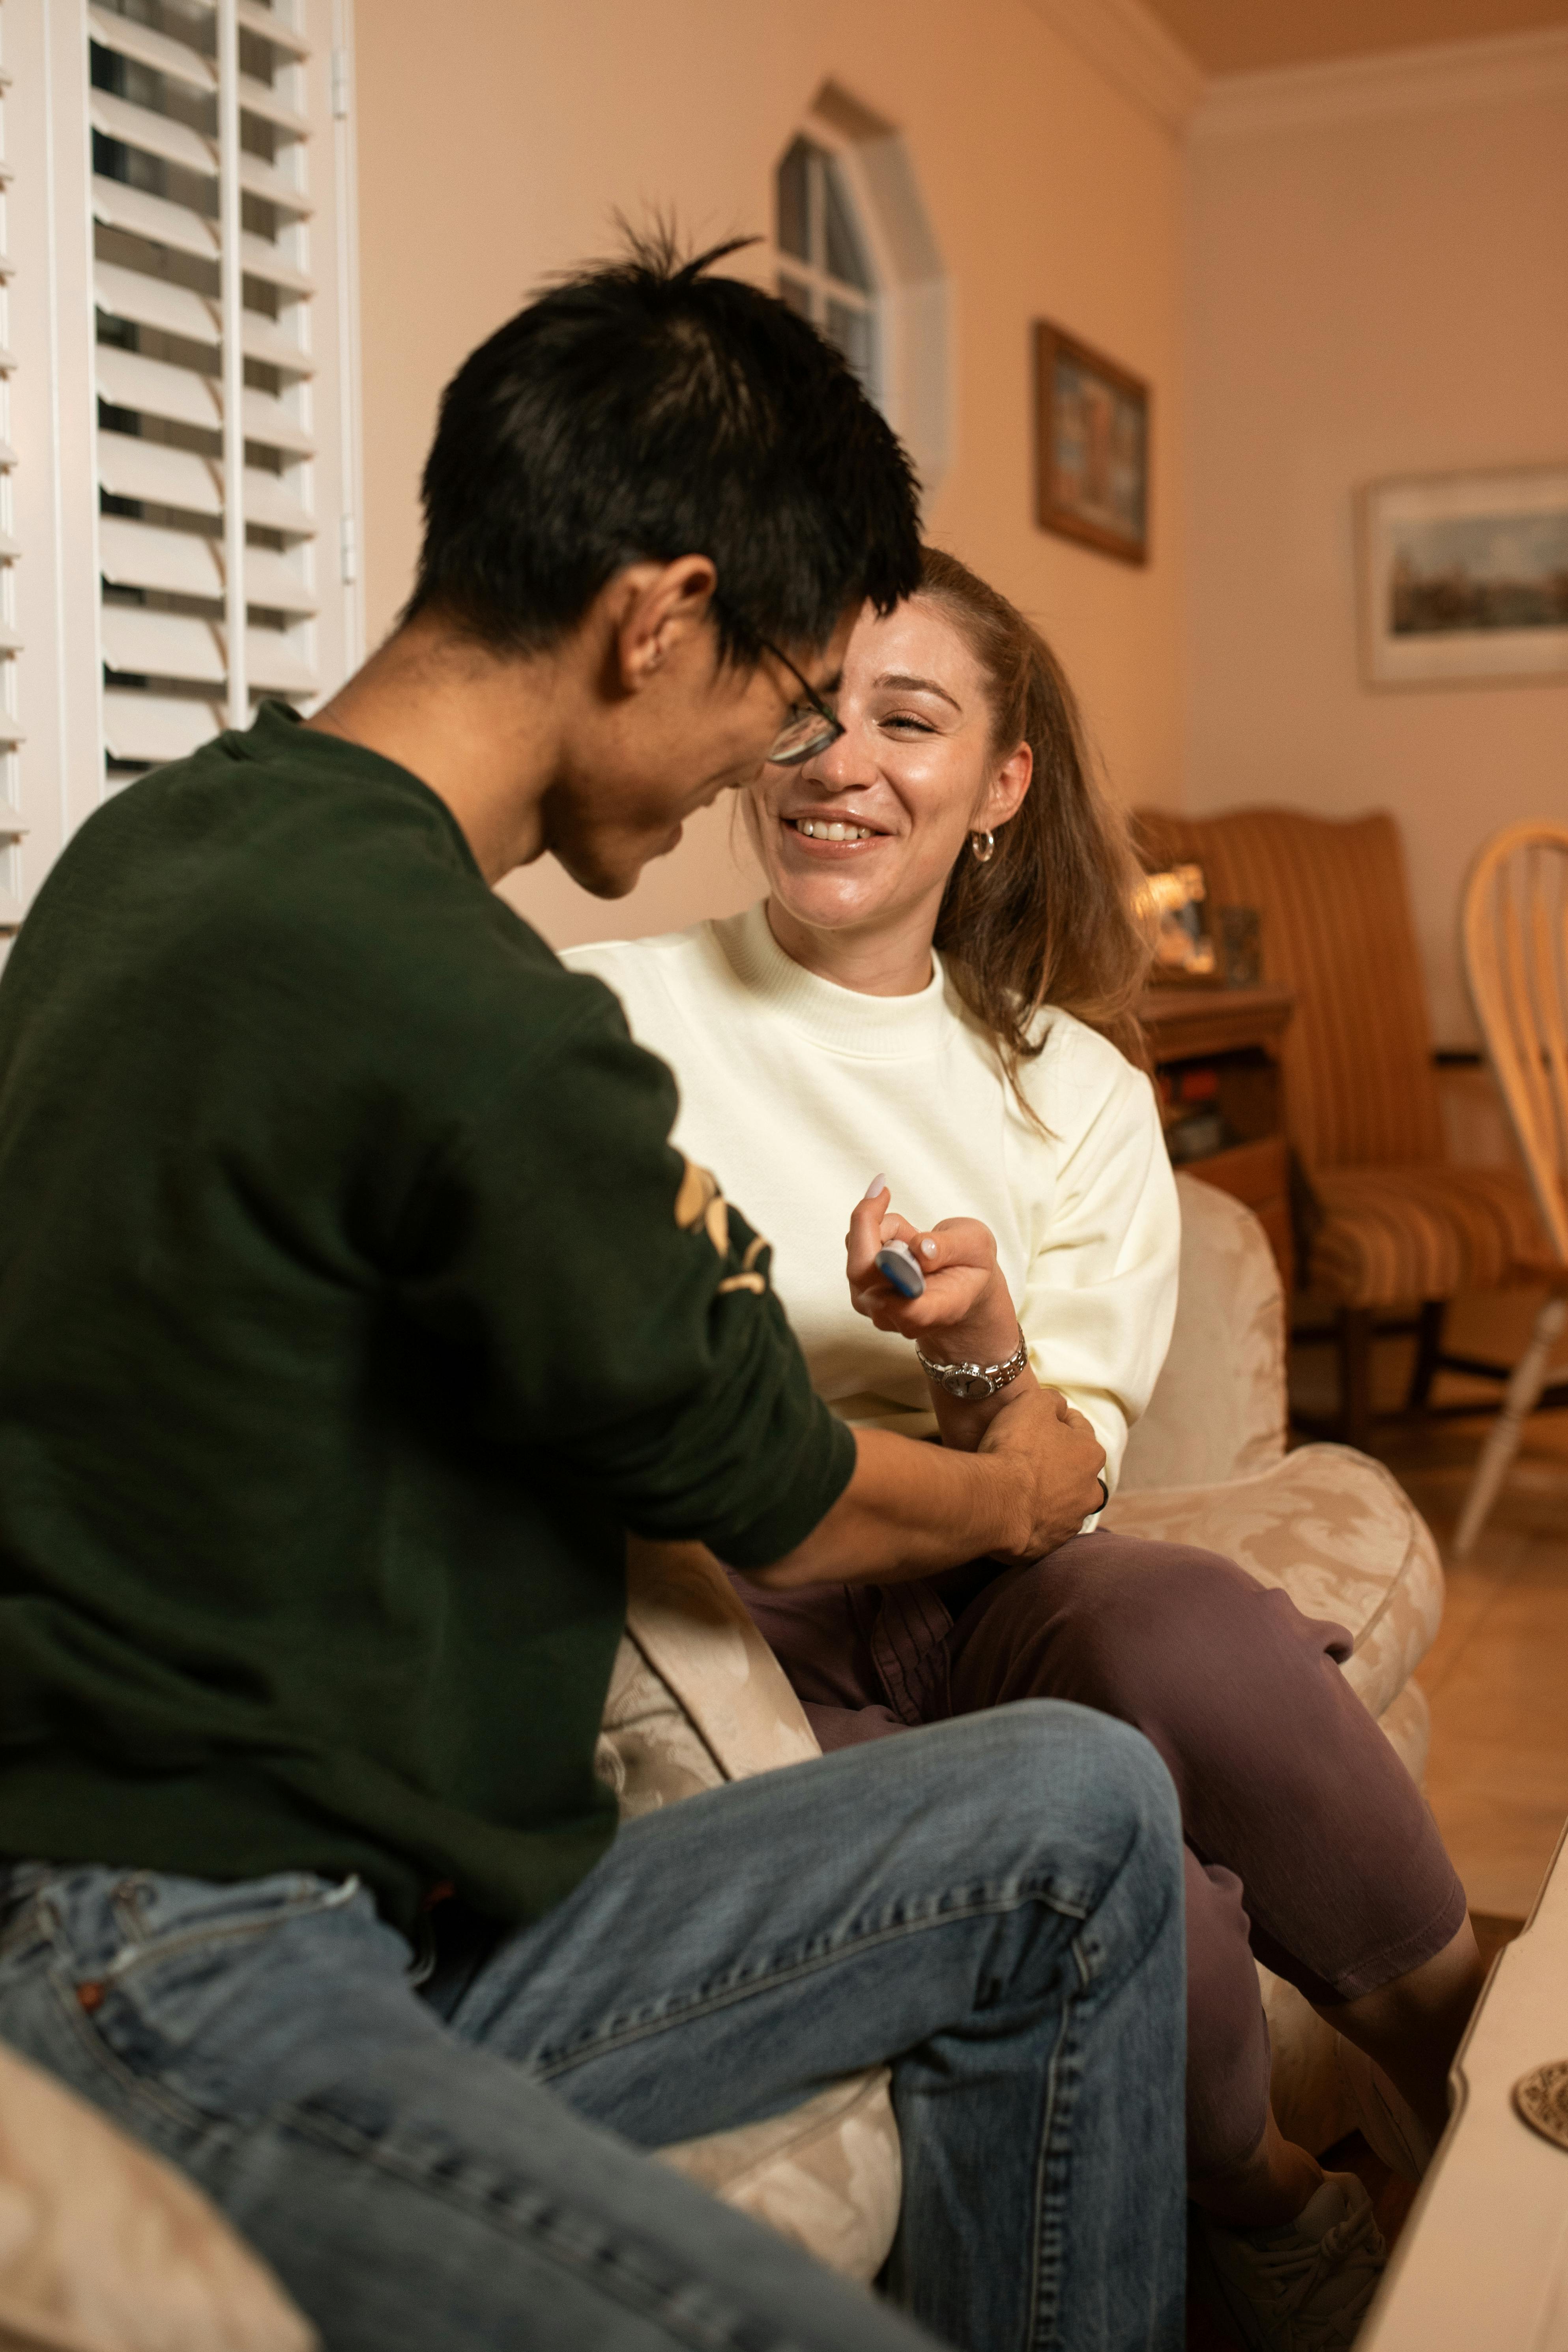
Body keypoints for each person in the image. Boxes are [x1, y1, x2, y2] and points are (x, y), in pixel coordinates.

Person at [0, 247, 1190, 2352]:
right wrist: (1018, 1482)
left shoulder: (160, 842)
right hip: (164, 1946)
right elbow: (785, 1488)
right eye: (786, 693)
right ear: (656, 615)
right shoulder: (462, 1002)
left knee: (1077, 1804)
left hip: (417, 1910)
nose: (780, 756)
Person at [565, 544, 1488, 2352]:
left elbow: (1065, 1481)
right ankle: (1277, 2202)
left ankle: (1461, 2048)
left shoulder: (1068, 1084)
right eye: (811, 713)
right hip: (725, 1619)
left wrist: (980, 1350)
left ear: (1000, 787)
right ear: (752, 743)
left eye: (908, 720)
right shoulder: (614, 1018)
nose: (843, 762)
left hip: (994, 1564)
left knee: (1183, 1626)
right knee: (1111, 1827)